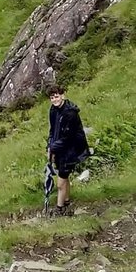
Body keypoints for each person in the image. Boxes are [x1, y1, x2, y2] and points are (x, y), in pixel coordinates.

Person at [47, 87, 89, 215]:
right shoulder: (53, 111)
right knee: (63, 176)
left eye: (57, 96)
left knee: (60, 182)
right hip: (60, 148)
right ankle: (66, 201)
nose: (55, 100)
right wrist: (49, 146)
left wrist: (53, 148)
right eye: (52, 97)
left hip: (71, 149)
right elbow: (52, 130)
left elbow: (68, 137)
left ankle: (60, 209)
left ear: (62, 96)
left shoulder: (71, 113)